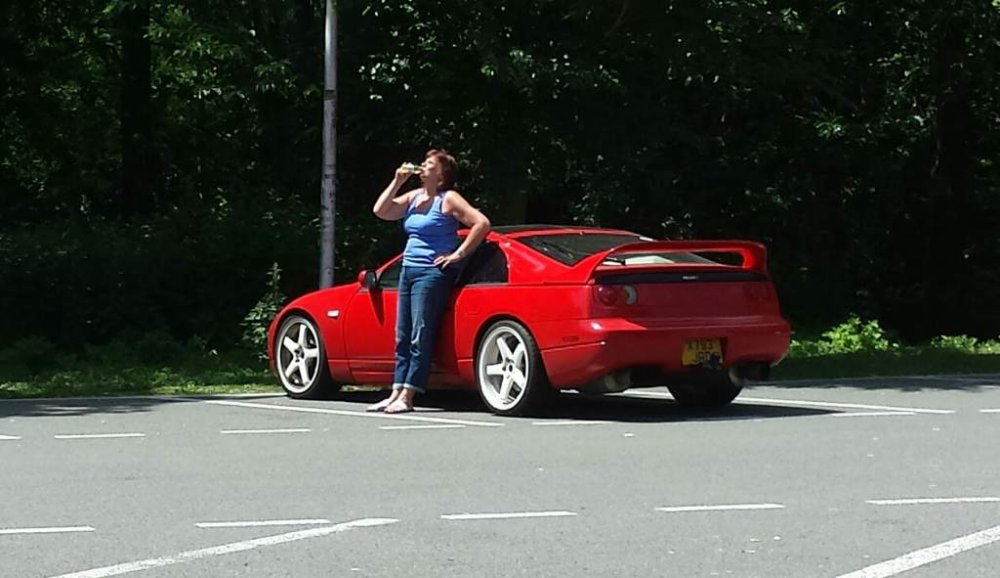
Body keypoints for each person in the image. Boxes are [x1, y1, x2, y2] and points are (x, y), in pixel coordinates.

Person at [367, 149, 491, 414]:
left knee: (419, 334)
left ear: (441, 175)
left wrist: (458, 254)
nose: (422, 166)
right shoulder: (415, 197)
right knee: (402, 335)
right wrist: (397, 181)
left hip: (431, 273)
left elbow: (481, 223)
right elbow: (381, 211)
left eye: (429, 164)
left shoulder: (448, 199)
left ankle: (408, 395)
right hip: (408, 270)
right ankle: (395, 392)